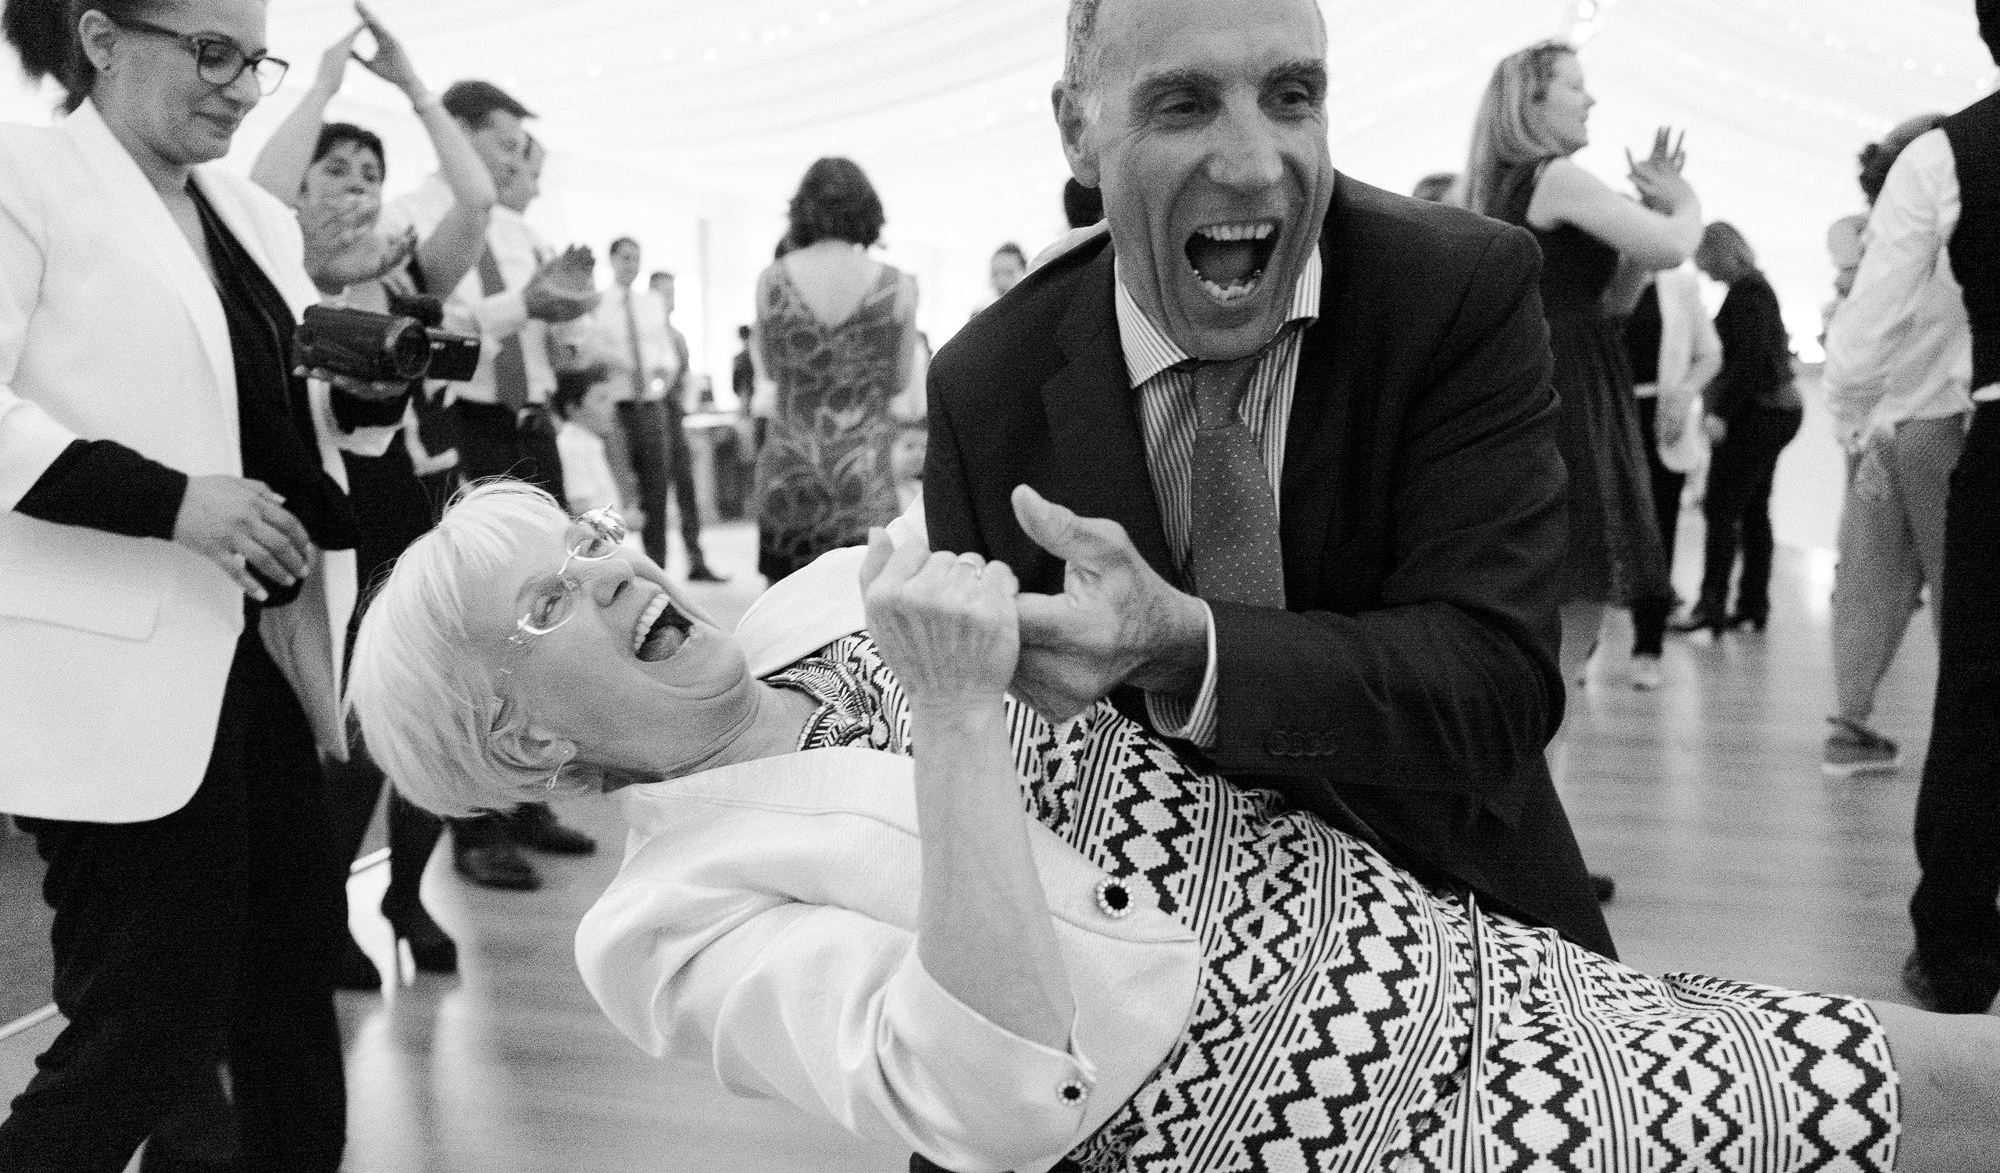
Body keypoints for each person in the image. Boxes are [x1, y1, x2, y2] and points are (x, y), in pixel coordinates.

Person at [346, 482, 2000, 1173]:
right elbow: (983, 1090)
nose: (616, 563)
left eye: (585, 532)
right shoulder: (661, 924)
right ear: (513, 727)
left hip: (1417, 940)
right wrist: (956, 711)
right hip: (1319, 1113)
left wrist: (1122, 647)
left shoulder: (824, 595)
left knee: (1884, 1066)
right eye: (550, 593)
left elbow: (1095, 714)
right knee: (1902, 1087)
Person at [928, 0, 1610, 959]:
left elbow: (1497, 684)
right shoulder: (987, 387)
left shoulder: (1456, 292)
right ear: (1076, 126)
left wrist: (1188, 647)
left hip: (1456, 922)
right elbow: (990, 753)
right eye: (1184, 104)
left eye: (1290, 96)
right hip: (1136, 956)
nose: (1250, 164)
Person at [0, 0, 412, 1170]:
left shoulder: (249, 215)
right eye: (213, 55)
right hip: (115, 665)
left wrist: (367, 398)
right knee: (147, 1021)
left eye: (257, 63)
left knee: (292, 990)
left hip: (264, 654)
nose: (240, 89)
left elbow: (277, 416)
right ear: (101, 37)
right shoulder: (24, 180)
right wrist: (173, 500)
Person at [247, 3, 499, 989]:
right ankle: (323, 914)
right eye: (335, 169)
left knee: (430, 714)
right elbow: (258, 191)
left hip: (404, 507)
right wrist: (317, 86)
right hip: (313, 523)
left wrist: (414, 87)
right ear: (301, 187)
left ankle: (403, 890)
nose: (356, 186)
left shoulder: (403, 284)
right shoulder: (267, 273)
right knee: (348, 736)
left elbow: (473, 202)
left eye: (369, 173)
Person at [1823, 0, 2000, 1015]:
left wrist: (1850, 425)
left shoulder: (1946, 153)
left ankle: (1954, 951)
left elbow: (1865, 328)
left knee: (1978, 690)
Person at [381, 86, 600, 890]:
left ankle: (530, 794)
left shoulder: (519, 226)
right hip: (459, 434)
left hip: (527, 427)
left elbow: (557, 346)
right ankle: (474, 826)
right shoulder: (411, 218)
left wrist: (574, 324)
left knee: (548, 615)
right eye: (503, 144)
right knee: (479, 631)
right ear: (461, 137)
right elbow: (435, 338)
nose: (514, 160)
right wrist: (524, 307)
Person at [1464, 41, 1699, 691]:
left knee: (1566, 619)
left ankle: (1535, 777)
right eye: (1575, 86)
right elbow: (1675, 248)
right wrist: (1684, 202)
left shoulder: (1513, 181)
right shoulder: (1552, 176)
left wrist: (1650, 215)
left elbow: (1616, 300)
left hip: (1569, 377)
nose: (1590, 98)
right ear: (1531, 102)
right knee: (1570, 620)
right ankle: (1536, 778)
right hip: (1567, 389)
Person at [1818, 115, 1962, 776]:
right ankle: (1969, 747)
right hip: (1942, 425)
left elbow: (1855, 339)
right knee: (1958, 590)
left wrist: (1852, 423)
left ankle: (1849, 730)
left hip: (1879, 432)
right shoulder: (1952, 241)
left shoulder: (1867, 248)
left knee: (1868, 582)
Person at [753, 156, 919, 582]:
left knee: (784, 623)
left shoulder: (771, 282)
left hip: (788, 476)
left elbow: (772, 371)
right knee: (858, 625)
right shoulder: (897, 285)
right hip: (862, 480)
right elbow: (899, 380)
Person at [1671, 223, 1803, 639]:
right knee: (1753, 508)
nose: (1705, 270)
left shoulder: (1748, 294)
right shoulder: (1755, 290)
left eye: (1706, 261)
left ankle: (1712, 605)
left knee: (1721, 508)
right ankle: (1751, 605)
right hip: (1775, 412)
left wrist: (1721, 413)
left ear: (1722, 253)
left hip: (1757, 414)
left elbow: (1747, 361)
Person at [1621, 265, 1722, 688]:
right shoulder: (1597, 277)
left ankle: (1648, 647)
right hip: (1605, 416)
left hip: (1662, 419)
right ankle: (1581, 645)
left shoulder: (1679, 285)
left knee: (1656, 533)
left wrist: (1683, 393)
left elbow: (1709, 353)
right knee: (1598, 529)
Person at [591, 237, 674, 566]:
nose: (631, 265)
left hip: (649, 406)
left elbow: (665, 351)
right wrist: (621, 364)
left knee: (656, 488)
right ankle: (609, 565)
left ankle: (659, 567)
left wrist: (662, 383)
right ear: (612, 261)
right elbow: (593, 351)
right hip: (615, 408)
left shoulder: (651, 302)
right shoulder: (599, 303)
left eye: (636, 259)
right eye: (625, 258)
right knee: (615, 486)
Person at [650, 268, 725, 582]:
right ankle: (657, 569)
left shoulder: (677, 338)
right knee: (655, 496)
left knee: (687, 491)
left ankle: (696, 560)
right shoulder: (647, 335)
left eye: (673, 292)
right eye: (665, 292)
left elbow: (685, 379)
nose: (671, 298)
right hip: (651, 419)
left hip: (674, 417)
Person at [552, 364, 632, 520]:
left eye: (610, 399)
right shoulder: (572, 446)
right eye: (601, 399)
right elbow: (580, 507)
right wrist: (623, 519)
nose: (612, 407)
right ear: (573, 408)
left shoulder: (589, 443)